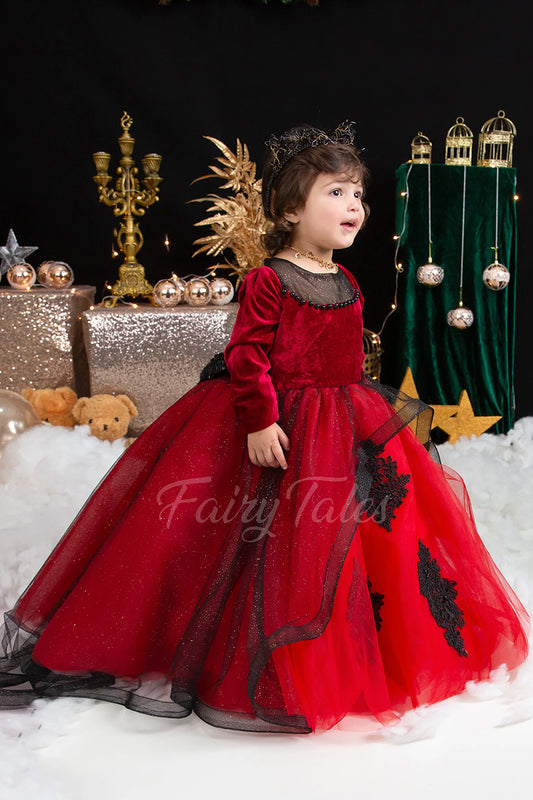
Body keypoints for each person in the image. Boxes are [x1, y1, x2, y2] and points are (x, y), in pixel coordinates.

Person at [0, 122, 529, 735]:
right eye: (335, 192)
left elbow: (349, 357)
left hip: (343, 418)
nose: (354, 206)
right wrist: (260, 419)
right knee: (257, 537)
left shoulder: (349, 281)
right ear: (289, 208)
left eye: (358, 195)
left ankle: (368, 644)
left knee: (359, 533)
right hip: (277, 420)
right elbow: (248, 354)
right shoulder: (269, 279)